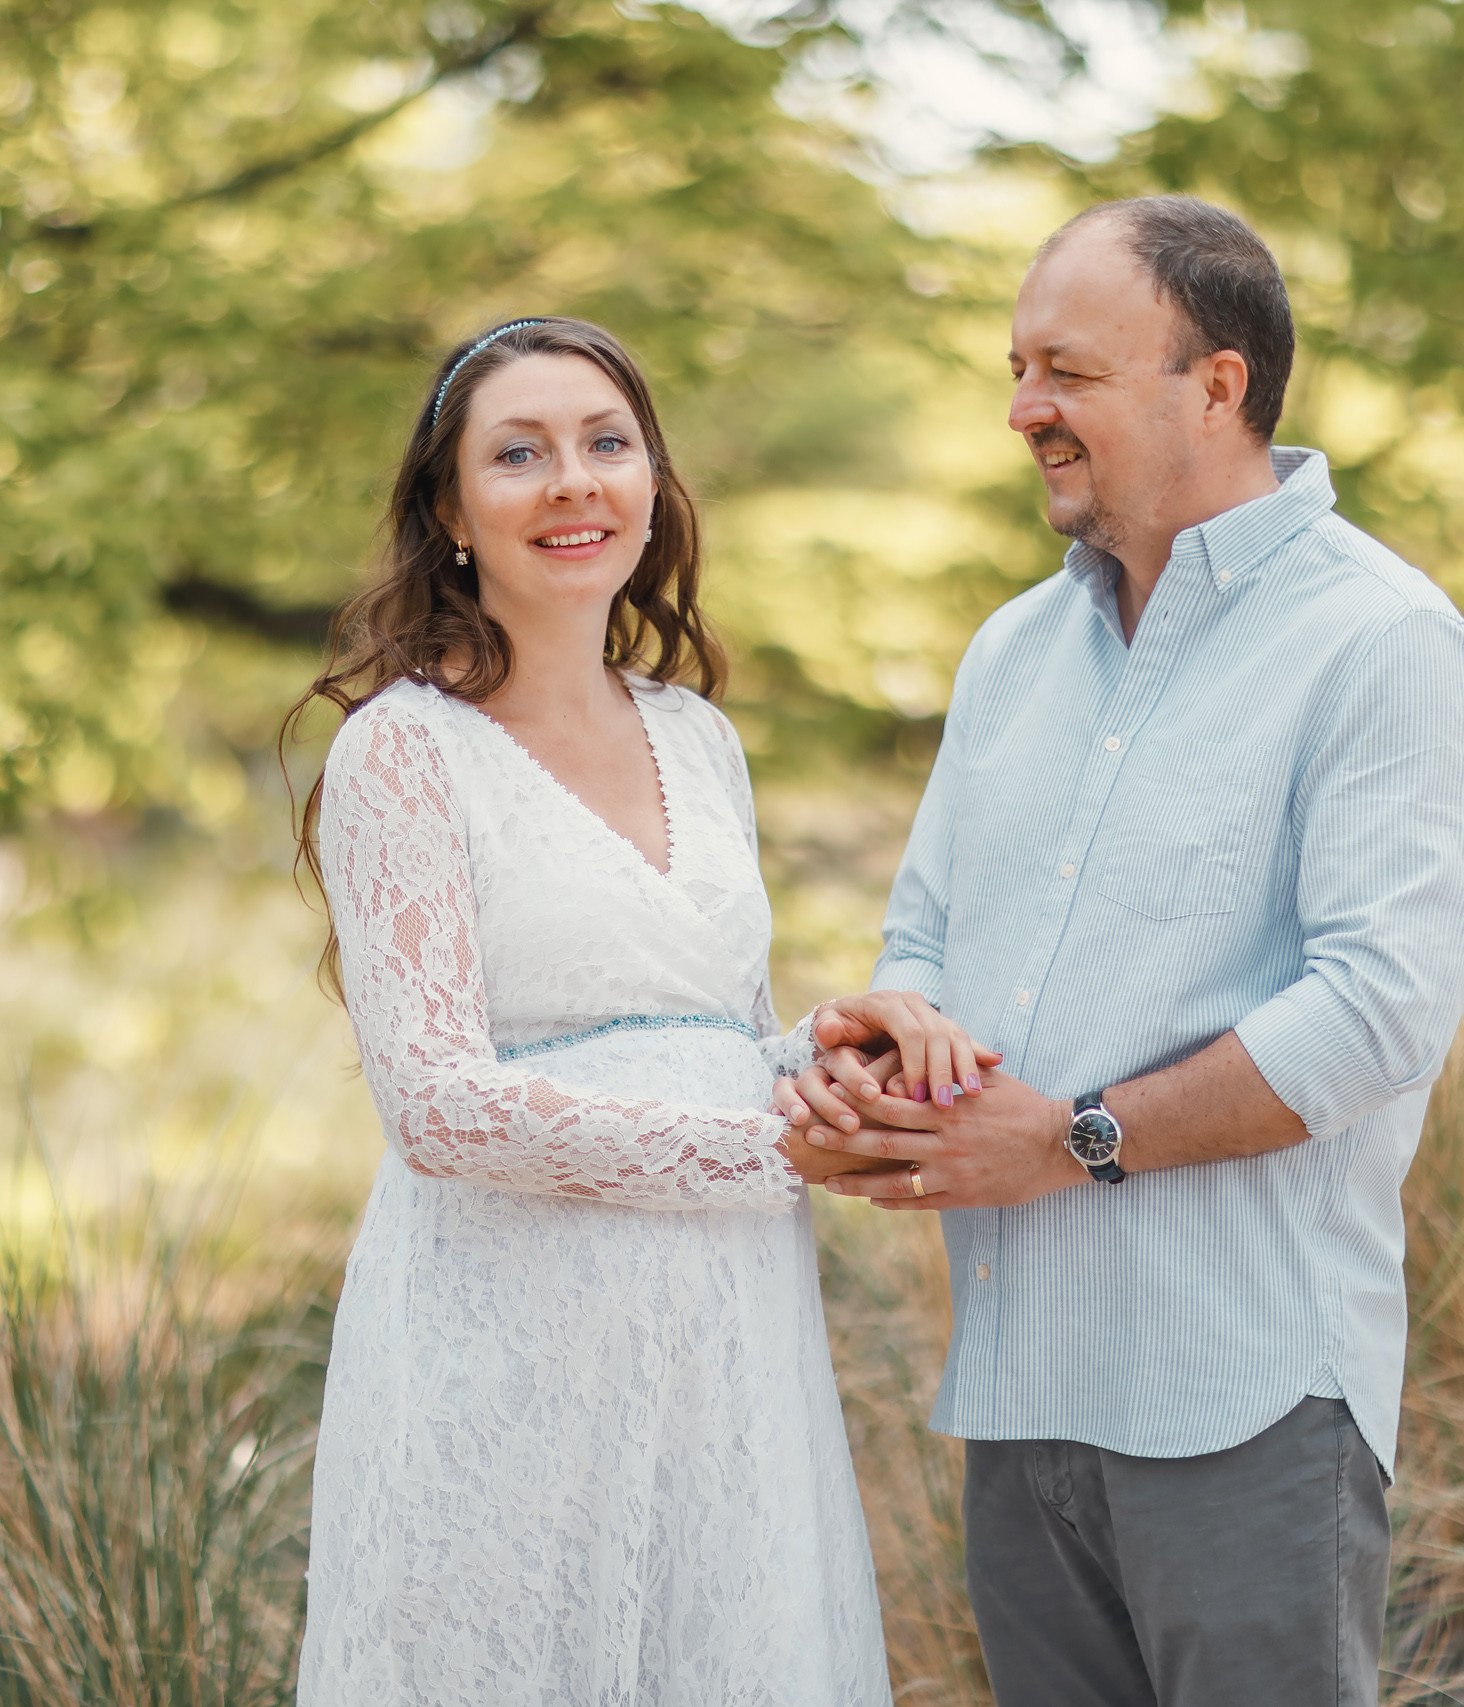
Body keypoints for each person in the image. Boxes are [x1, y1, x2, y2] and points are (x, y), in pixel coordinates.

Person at [779, 197, 1464, 1705]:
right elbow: (921, 936)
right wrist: (883, 1063)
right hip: (1018, 1391)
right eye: (1017, 367)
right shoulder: (1008, 654)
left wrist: (1071, 1139)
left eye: (1068, 370)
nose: (1022, 408)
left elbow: (1376, 1015)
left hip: (1242, 1401)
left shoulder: (1383, 643)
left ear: (1218, 384)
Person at [288, 315, 992, 1704]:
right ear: (449, 510)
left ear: (653, 487)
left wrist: (833, 1049)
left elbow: (717, 1038)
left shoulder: (695, 735)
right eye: (520, 454)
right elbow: (433, 1105)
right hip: (510, 1335)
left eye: (608, 445)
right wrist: (765, 1156)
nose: (574, 483)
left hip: (724, 1331)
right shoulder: (402, 752)